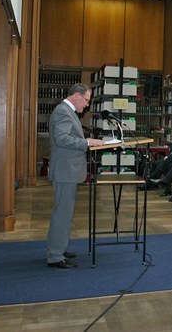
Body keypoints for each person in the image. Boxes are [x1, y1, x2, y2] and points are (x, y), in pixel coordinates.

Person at [47, 83, 104, 268]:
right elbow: (61, 138)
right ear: (77, 96)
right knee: (62, 213)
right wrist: (87, 142)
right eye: (86, 100)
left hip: (68, 170)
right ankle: (55, 255)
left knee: (65, 213)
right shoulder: (63, 111)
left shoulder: (67, 111)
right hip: (65, 171)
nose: (87, 105)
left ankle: (59, 249)